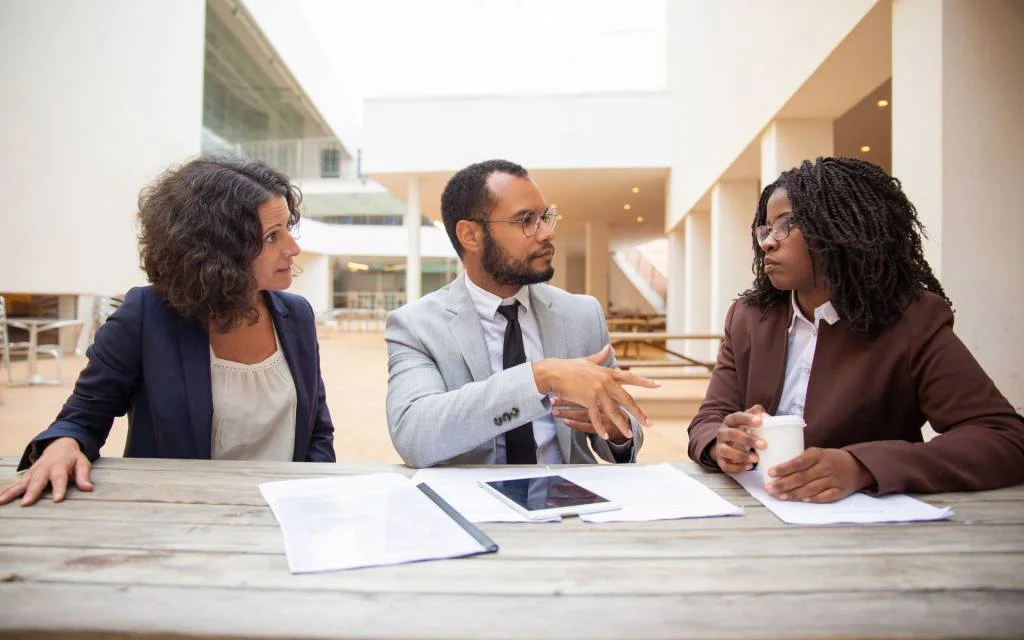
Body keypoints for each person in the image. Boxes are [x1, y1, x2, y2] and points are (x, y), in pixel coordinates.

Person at [0, 156, 335, 507]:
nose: (293, 248)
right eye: (271, 237)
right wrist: (63, 445)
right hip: (178, 517)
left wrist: (313, 500)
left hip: (281, 516)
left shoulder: (296, 316)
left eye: (287, 228)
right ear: (219, 251)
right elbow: (82, 419)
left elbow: (317, 431)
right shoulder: (145, 315)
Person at [689, 157, 1024, 502]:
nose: (768, 243)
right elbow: (710, 419)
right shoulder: (748, 318)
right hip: (757, 515)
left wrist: (861, 466)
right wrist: (720, 443)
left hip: (869, 523)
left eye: (786, 224)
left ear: (838, 227)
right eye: (765, 229)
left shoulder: (911, 320)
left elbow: (1003, 438)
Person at [385, 159, 658, 468]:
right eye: (526, 220)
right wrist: (539, 377)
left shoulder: (582, 315)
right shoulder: (416, 326)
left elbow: (623, 434)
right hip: (473, 495)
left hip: (569, 492)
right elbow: (414, 436)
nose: (546, 233)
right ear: (471, 235)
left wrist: (616, 431)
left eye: (545, 217)